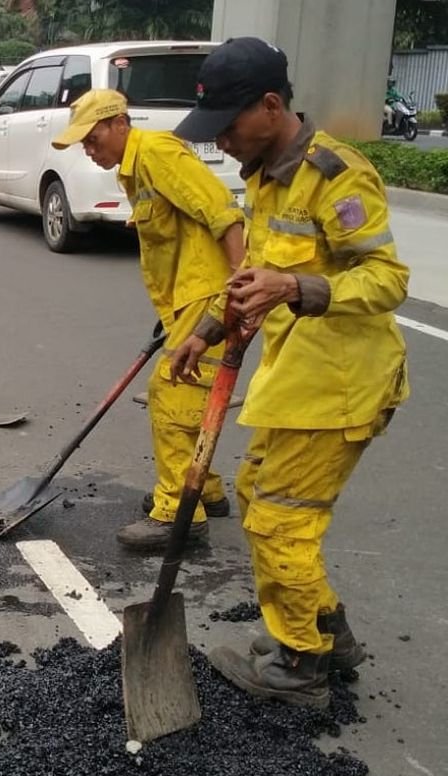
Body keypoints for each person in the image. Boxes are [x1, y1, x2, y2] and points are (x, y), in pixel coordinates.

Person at [171, 37, 409, 707]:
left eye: (229, 126)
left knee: (279, 520)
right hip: (296, 377)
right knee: (258, 496)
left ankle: (303, 665)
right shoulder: (264, 176)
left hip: (342, 386)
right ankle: (326, 631)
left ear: (271, 106)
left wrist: (296, 289)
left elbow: (387, 280)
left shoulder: (339, 175)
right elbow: (258, 273)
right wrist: (212, 328)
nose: (221, 143)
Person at [50, 89, 245, 551]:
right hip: (185, 299)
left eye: (93, 138)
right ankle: (206, 489)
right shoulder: (132, 171)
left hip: (211, 294)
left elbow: (222, 213)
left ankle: (181, 511)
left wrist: (237, 290)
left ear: (120, 124)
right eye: (83, 143)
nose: (89, 149)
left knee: (171, 394)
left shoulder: (157, 154)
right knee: (194, 397)